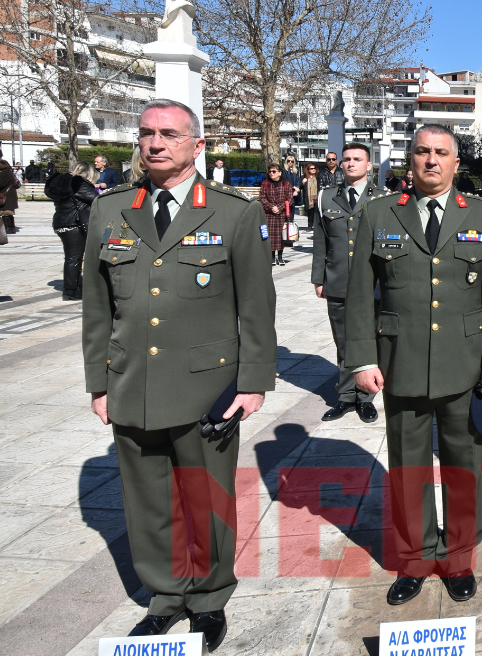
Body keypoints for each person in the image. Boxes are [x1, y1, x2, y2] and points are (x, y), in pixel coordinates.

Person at [81, 98, 277, 651]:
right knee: (148, 500)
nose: (154, 143)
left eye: (168, 133)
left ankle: (210, 597)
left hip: (207, 387)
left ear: (197, 143)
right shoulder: (111, 209)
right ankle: (165, 596)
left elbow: (256, 307)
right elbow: (97, 305)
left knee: (207, 498)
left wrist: (253, 381)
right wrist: (99, 381)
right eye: (146, 133)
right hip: (133, 381)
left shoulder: (233, 212)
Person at [347, 124, 482, 605]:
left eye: (442, 153)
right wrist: (361, 358)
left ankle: (459, 557)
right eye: (422, 152)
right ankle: (417, 559)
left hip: (465, 364)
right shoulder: (379, 214)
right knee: (408, 466)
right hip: (400, 362)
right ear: (409, 159)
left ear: (456, 163)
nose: (431, 161)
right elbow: (360, 295)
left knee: (464, 465)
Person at [312, 143, 380, 424]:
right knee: (342, 340)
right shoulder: (326, 197)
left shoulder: (384, 198)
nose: (351, 163)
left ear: (369, 165)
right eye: (346, 159)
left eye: (357, 159)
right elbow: (321, 240)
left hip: (372, 282)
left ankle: (366, 397)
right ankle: (346, 396)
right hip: (338, 278)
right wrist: (319, 278)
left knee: (368, 339)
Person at [46, 161, 97, 300]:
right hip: (74, 223)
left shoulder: (61, 182)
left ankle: (76, 285)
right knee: (74, 258)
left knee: (73, 257)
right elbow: (97, 199)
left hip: (61, 222)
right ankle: (71, 290)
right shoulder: (78, 183)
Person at [260, 163, 294, 265]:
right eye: (270, 171)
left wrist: (279, 208)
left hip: (282, 214)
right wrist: (271, 207)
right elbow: (262, 198)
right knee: (270, 236)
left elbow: (290, 198)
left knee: (281, 236)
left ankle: (280, 256)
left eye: (274, 171)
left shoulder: (286, 183)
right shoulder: (265, 183)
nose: (271, 173)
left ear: (279, 173)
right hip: (269, 214)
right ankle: (271, 258)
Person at [0, 153, 18, 234]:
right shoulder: (9, 172)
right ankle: (10, 228)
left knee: (6, 213)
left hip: (6, 196)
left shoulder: (4, 173)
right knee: (8, 213)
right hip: (10, 195)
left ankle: (8, 229)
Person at [300, 163, 320, 231]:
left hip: (317, 197)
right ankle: (310, 225)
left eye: (314, 168)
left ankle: (317, 226)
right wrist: (303, 182)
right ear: (308, 170)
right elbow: (300, 187)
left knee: (317, 213)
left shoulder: (318, 176)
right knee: (310, 212)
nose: (313, 170)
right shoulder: (304, 177)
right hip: (309, 198)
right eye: (311, 168)